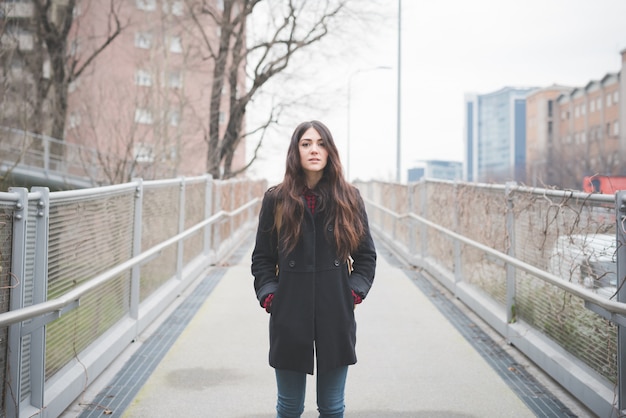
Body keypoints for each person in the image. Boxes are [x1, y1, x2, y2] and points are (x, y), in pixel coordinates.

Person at [251, 120, 377, 418]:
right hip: (290, 311)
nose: (314, 150)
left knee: (332, 407)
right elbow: (263, 259)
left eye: (321, 143)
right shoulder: (276, 199)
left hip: (335, 309)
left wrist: (353, 294)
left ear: (330, 151)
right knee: (290, 407)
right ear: (296, 151)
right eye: (306, 143)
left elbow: (366, 256)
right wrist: (271, 297)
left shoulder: (349, 198)